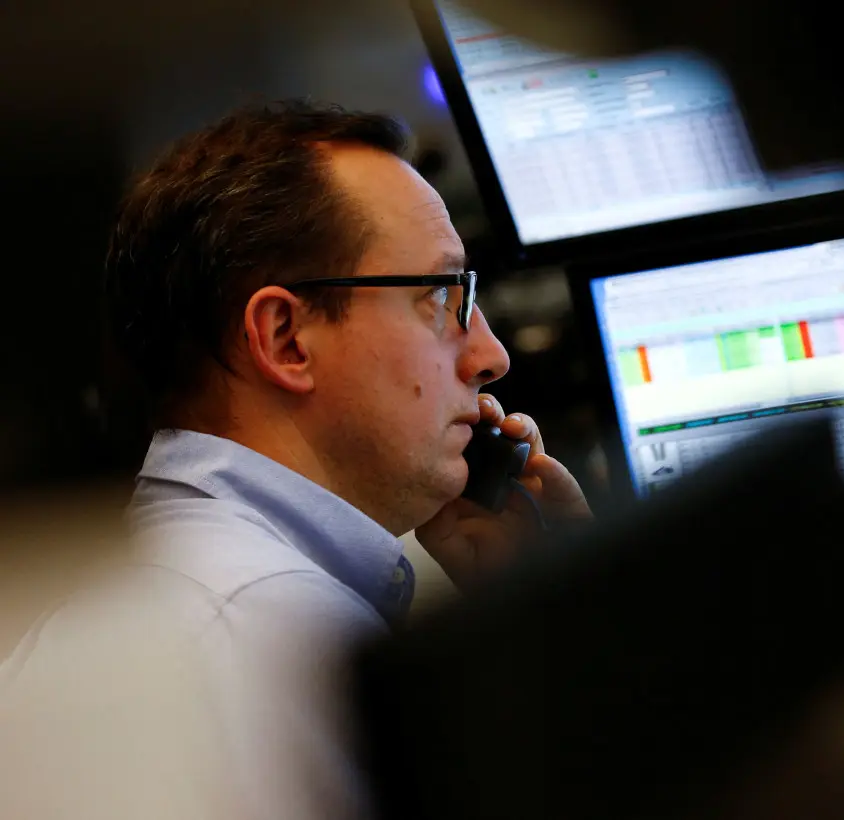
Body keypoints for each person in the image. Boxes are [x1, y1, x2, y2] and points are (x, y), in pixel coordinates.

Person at [0, 100, 591, 819]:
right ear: (285, 339)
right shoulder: (283, 644)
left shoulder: (173, 590)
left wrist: (523, 610)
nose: (490, 355)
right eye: (442, 295)